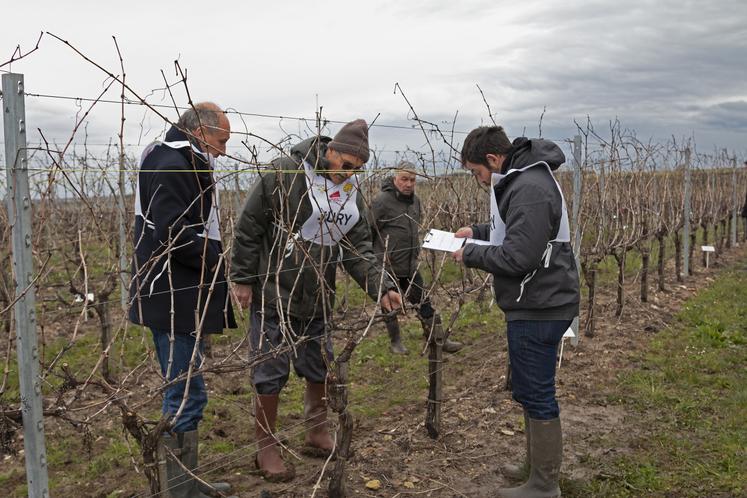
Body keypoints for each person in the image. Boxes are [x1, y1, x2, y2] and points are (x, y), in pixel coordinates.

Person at [230, 119, 402, 482]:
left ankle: (316, 430)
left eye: (357, 170)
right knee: (270, 371)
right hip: (275, 289)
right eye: (346, 165)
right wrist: (243, 279)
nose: (349, 174)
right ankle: (266, 445)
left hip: (319, 294)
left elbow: (357, 249)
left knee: (319, 365)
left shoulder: (348, 194)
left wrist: (381, 285)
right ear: (330, 151)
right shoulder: (284, 174)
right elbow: (249, 227)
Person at [452, 126, 579, 498]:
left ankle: (544, 484)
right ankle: (534, 468)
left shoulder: (528, 188)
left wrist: (471, 254)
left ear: (493, 160)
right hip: (537, 299)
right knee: (528, 388)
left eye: (477, 172)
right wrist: (475, 232)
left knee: (537, 392)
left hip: (539, 303)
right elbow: (519, 232)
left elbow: (519, 255)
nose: (479, 181)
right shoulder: (524, 180)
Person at [129, 102, 237, 497]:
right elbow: (172, 233)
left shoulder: (176, 156)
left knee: (187, 389)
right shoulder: (172, 164)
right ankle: (179, 491)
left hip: (181, 292)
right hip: (172, 294)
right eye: (221, 140)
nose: (224, 150)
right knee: (184, 395)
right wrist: (217, 261)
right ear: (200, 131)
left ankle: (186, 483)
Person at [369, 161, 463, 354]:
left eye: (412, 180)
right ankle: (396, 342)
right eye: (404, 179)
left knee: (424, 302)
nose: (409, 184)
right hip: (387, 266)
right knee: (390, 305)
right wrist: (377, 257)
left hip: (410, 265)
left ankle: (436, 339)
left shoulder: (416, 201)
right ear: (395, 178)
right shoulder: (381, 201)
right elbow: (366, 230)